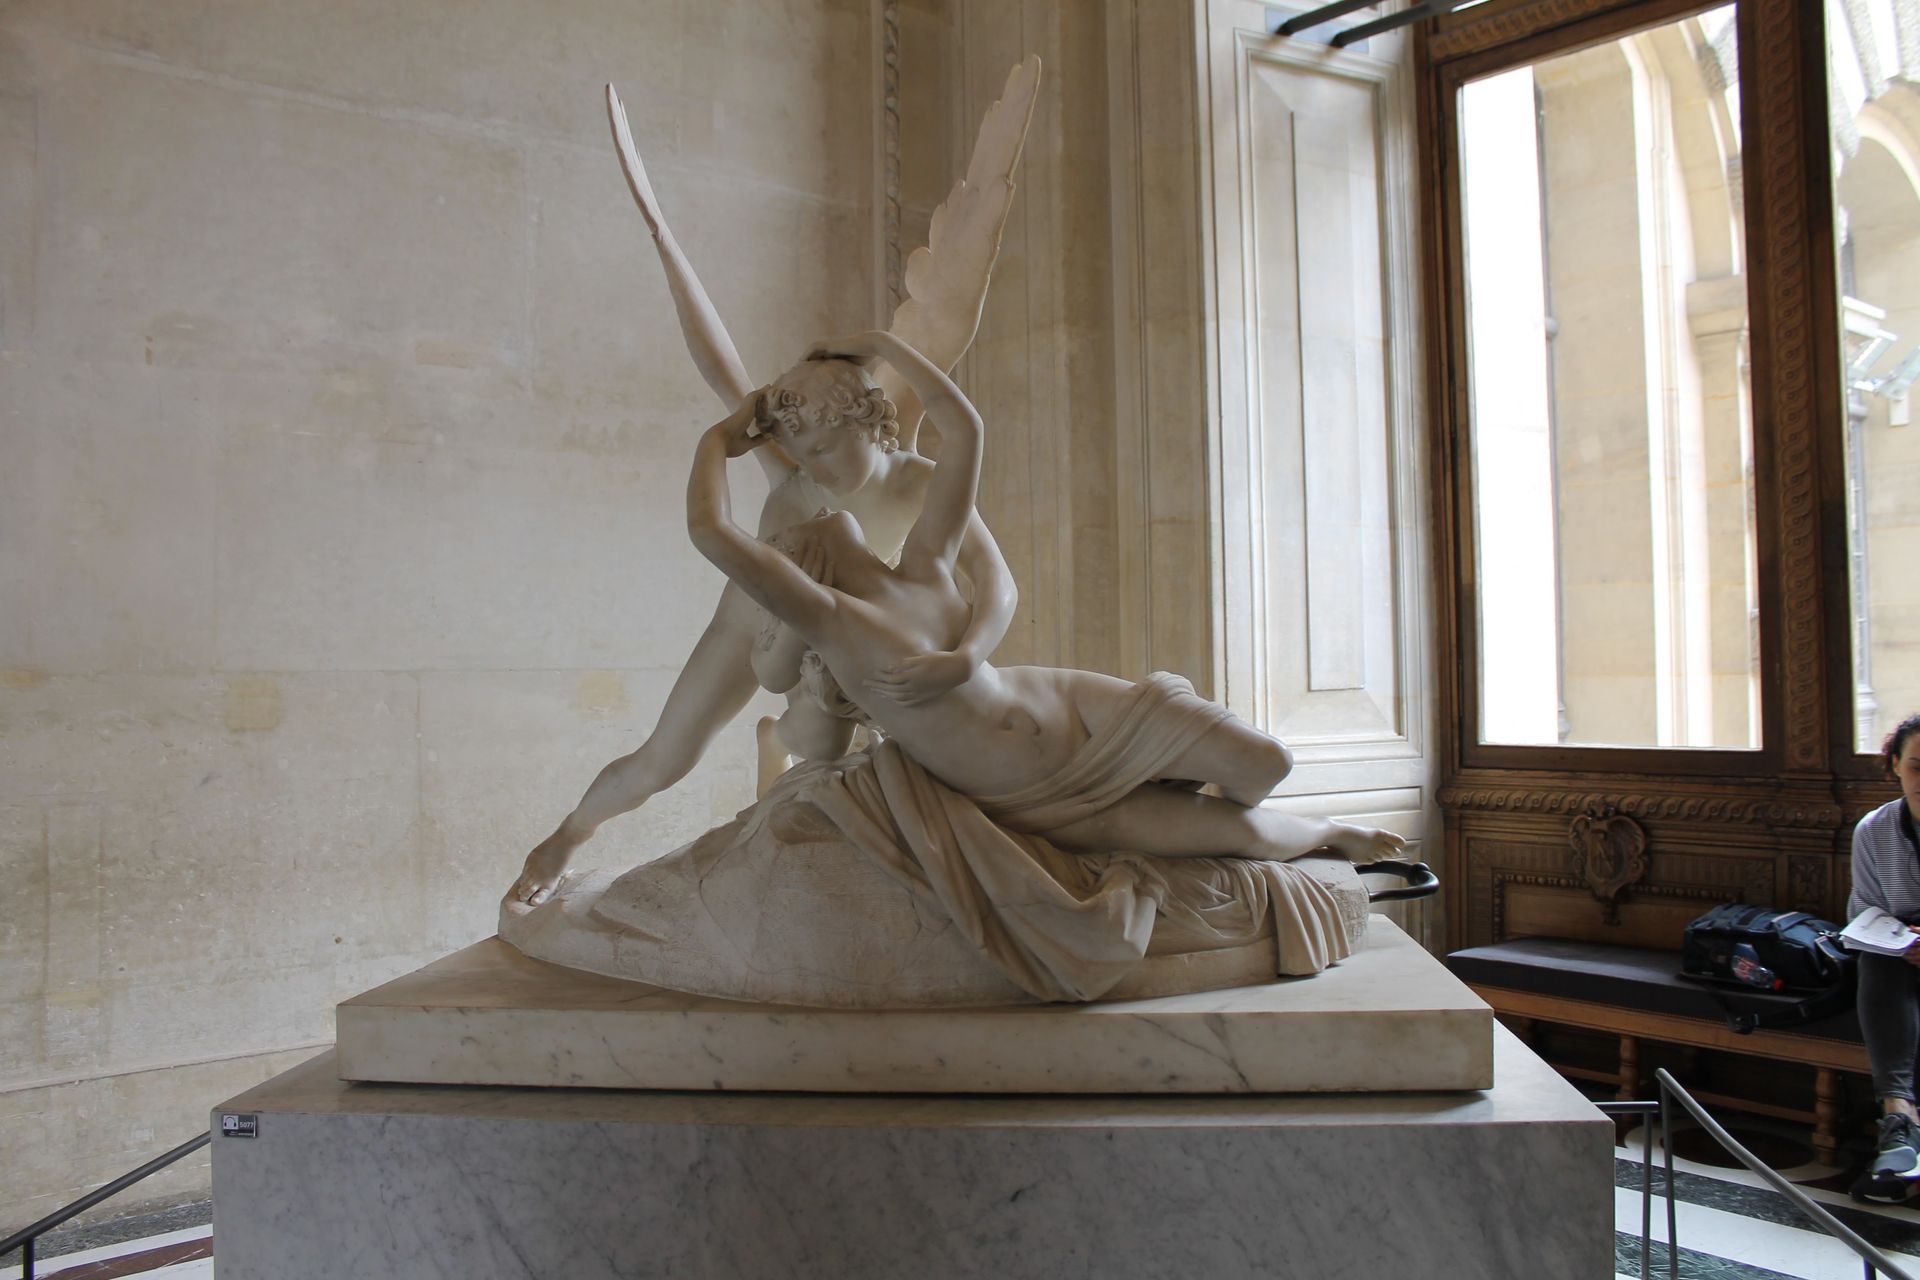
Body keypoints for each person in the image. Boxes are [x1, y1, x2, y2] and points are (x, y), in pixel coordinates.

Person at [507, 96, 1022, 906]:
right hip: (751, 622)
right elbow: (718, 364)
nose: (796, 453)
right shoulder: (792, 467)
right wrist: (663, 239)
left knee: (904, 738)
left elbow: (997, 584)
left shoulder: (920, 480)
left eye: (814, 439)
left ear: (859, 417)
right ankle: (565, 837)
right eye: (792, 440)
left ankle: (789, 753)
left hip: (839, 632)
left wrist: (969, 655)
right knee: (663, 759)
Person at [687, 329, 1409, 867]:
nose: (815, 501)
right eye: (806, 528)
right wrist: (718, 440)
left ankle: (1182, 783)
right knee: (1244, 835)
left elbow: (966, 429)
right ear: (807, 569)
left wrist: (878, 344)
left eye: (817, 466)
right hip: (1032, 792)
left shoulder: (924, 562)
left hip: (1070, 707)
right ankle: (1328, 834)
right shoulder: (832, 620)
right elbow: (709, 530)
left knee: (1267, 763)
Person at [1849, 711, 1920, 1201]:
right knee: (1875, 963)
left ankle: (1903, 1134)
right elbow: (1865, 913)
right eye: (1917, 766)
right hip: (1902, 954)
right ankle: (1899, 1116)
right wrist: (1903, 942)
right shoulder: (1874, 831)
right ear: (1895, 764)